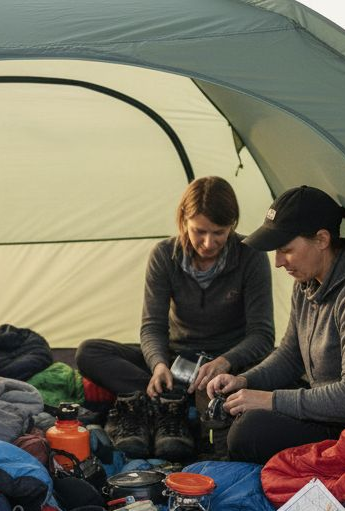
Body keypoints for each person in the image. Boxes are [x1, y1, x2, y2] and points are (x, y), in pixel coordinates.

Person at [205, 185, 345, 464]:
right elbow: (290, 355)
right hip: (329, 417)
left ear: (322, 239)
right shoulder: (307, 284)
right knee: (243, 408)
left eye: (286, 250)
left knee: (250, 431)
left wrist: (269, 400)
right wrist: (245, 381)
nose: (278, 262)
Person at [75, 176, 273, 460]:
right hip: (177, 360)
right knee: (89, 352)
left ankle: (168, 404)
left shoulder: (250, 255)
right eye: (199, 231)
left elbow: (262, 335)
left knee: (273, 376)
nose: (208, 243)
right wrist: (158, 365)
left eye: (219, 233)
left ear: (233, 225)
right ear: (183, 220)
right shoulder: (164, 255)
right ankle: (172, 400)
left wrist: (224, 362)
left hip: (228, 364)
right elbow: (152, 326)